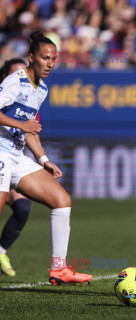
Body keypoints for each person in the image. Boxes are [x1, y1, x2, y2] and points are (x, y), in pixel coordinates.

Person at [0, 31, 93, 284]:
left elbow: (29, 130)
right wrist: (22, 126)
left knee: (61, 199)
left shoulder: (41, 89)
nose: (50, 63)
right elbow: (23, 125)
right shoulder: (14, 81)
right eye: (45, 58)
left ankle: (59, 268)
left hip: (16, 155)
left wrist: (43, 160)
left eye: (54, 58)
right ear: (31, 57)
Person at [0, 58, 32, 277]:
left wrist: (44, 159)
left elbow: (28, 133)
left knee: (22, 207)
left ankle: (0, 252)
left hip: (8, 160)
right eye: (16, 76)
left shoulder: (28, 102)